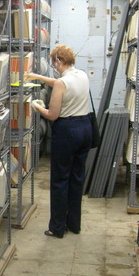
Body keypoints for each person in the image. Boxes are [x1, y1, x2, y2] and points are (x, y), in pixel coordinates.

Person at [24, 45, 92, 238]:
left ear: (59, 61)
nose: (54, 66)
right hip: (85, 128)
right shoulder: (81, 75)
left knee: (60, 180)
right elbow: (60, 82)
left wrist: (37, 107)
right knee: (76, 179)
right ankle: (74, 224)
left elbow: (53, 115)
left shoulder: (62, 82)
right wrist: (37, 76)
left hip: (67, 132)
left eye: (54, 62)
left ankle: (57, 228)